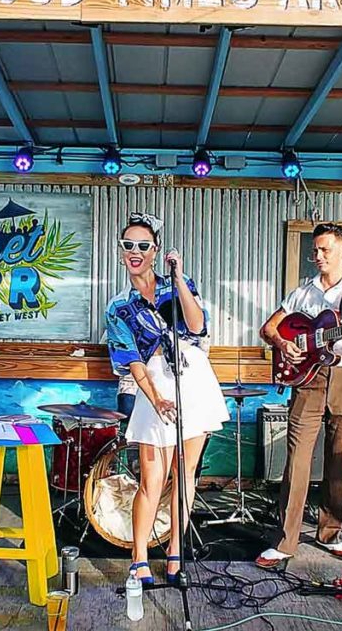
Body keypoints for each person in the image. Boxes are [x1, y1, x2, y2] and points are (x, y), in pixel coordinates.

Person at [105, 212, 229, 585]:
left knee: (185, 474)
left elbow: (196, 326)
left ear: (156, 250)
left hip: (193, 376)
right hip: (154, 382)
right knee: (151, 478)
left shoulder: (179, 283)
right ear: (122, 251)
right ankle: (139, 555)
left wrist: (178, 280)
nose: (135, 251)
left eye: (143, 245)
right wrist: (156, 398)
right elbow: (131, 362)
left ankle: (176, 551)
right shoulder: (119, 308)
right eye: (129, 245)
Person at [255, 222, 342, 568]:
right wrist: (284, 345)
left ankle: (331, 532)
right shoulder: (302, 293)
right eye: (316, 250)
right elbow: (269, 328)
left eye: (325, 250)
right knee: (297, 460)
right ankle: (285, 540)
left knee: (340, 459)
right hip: (307, 379)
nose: (318, 256)